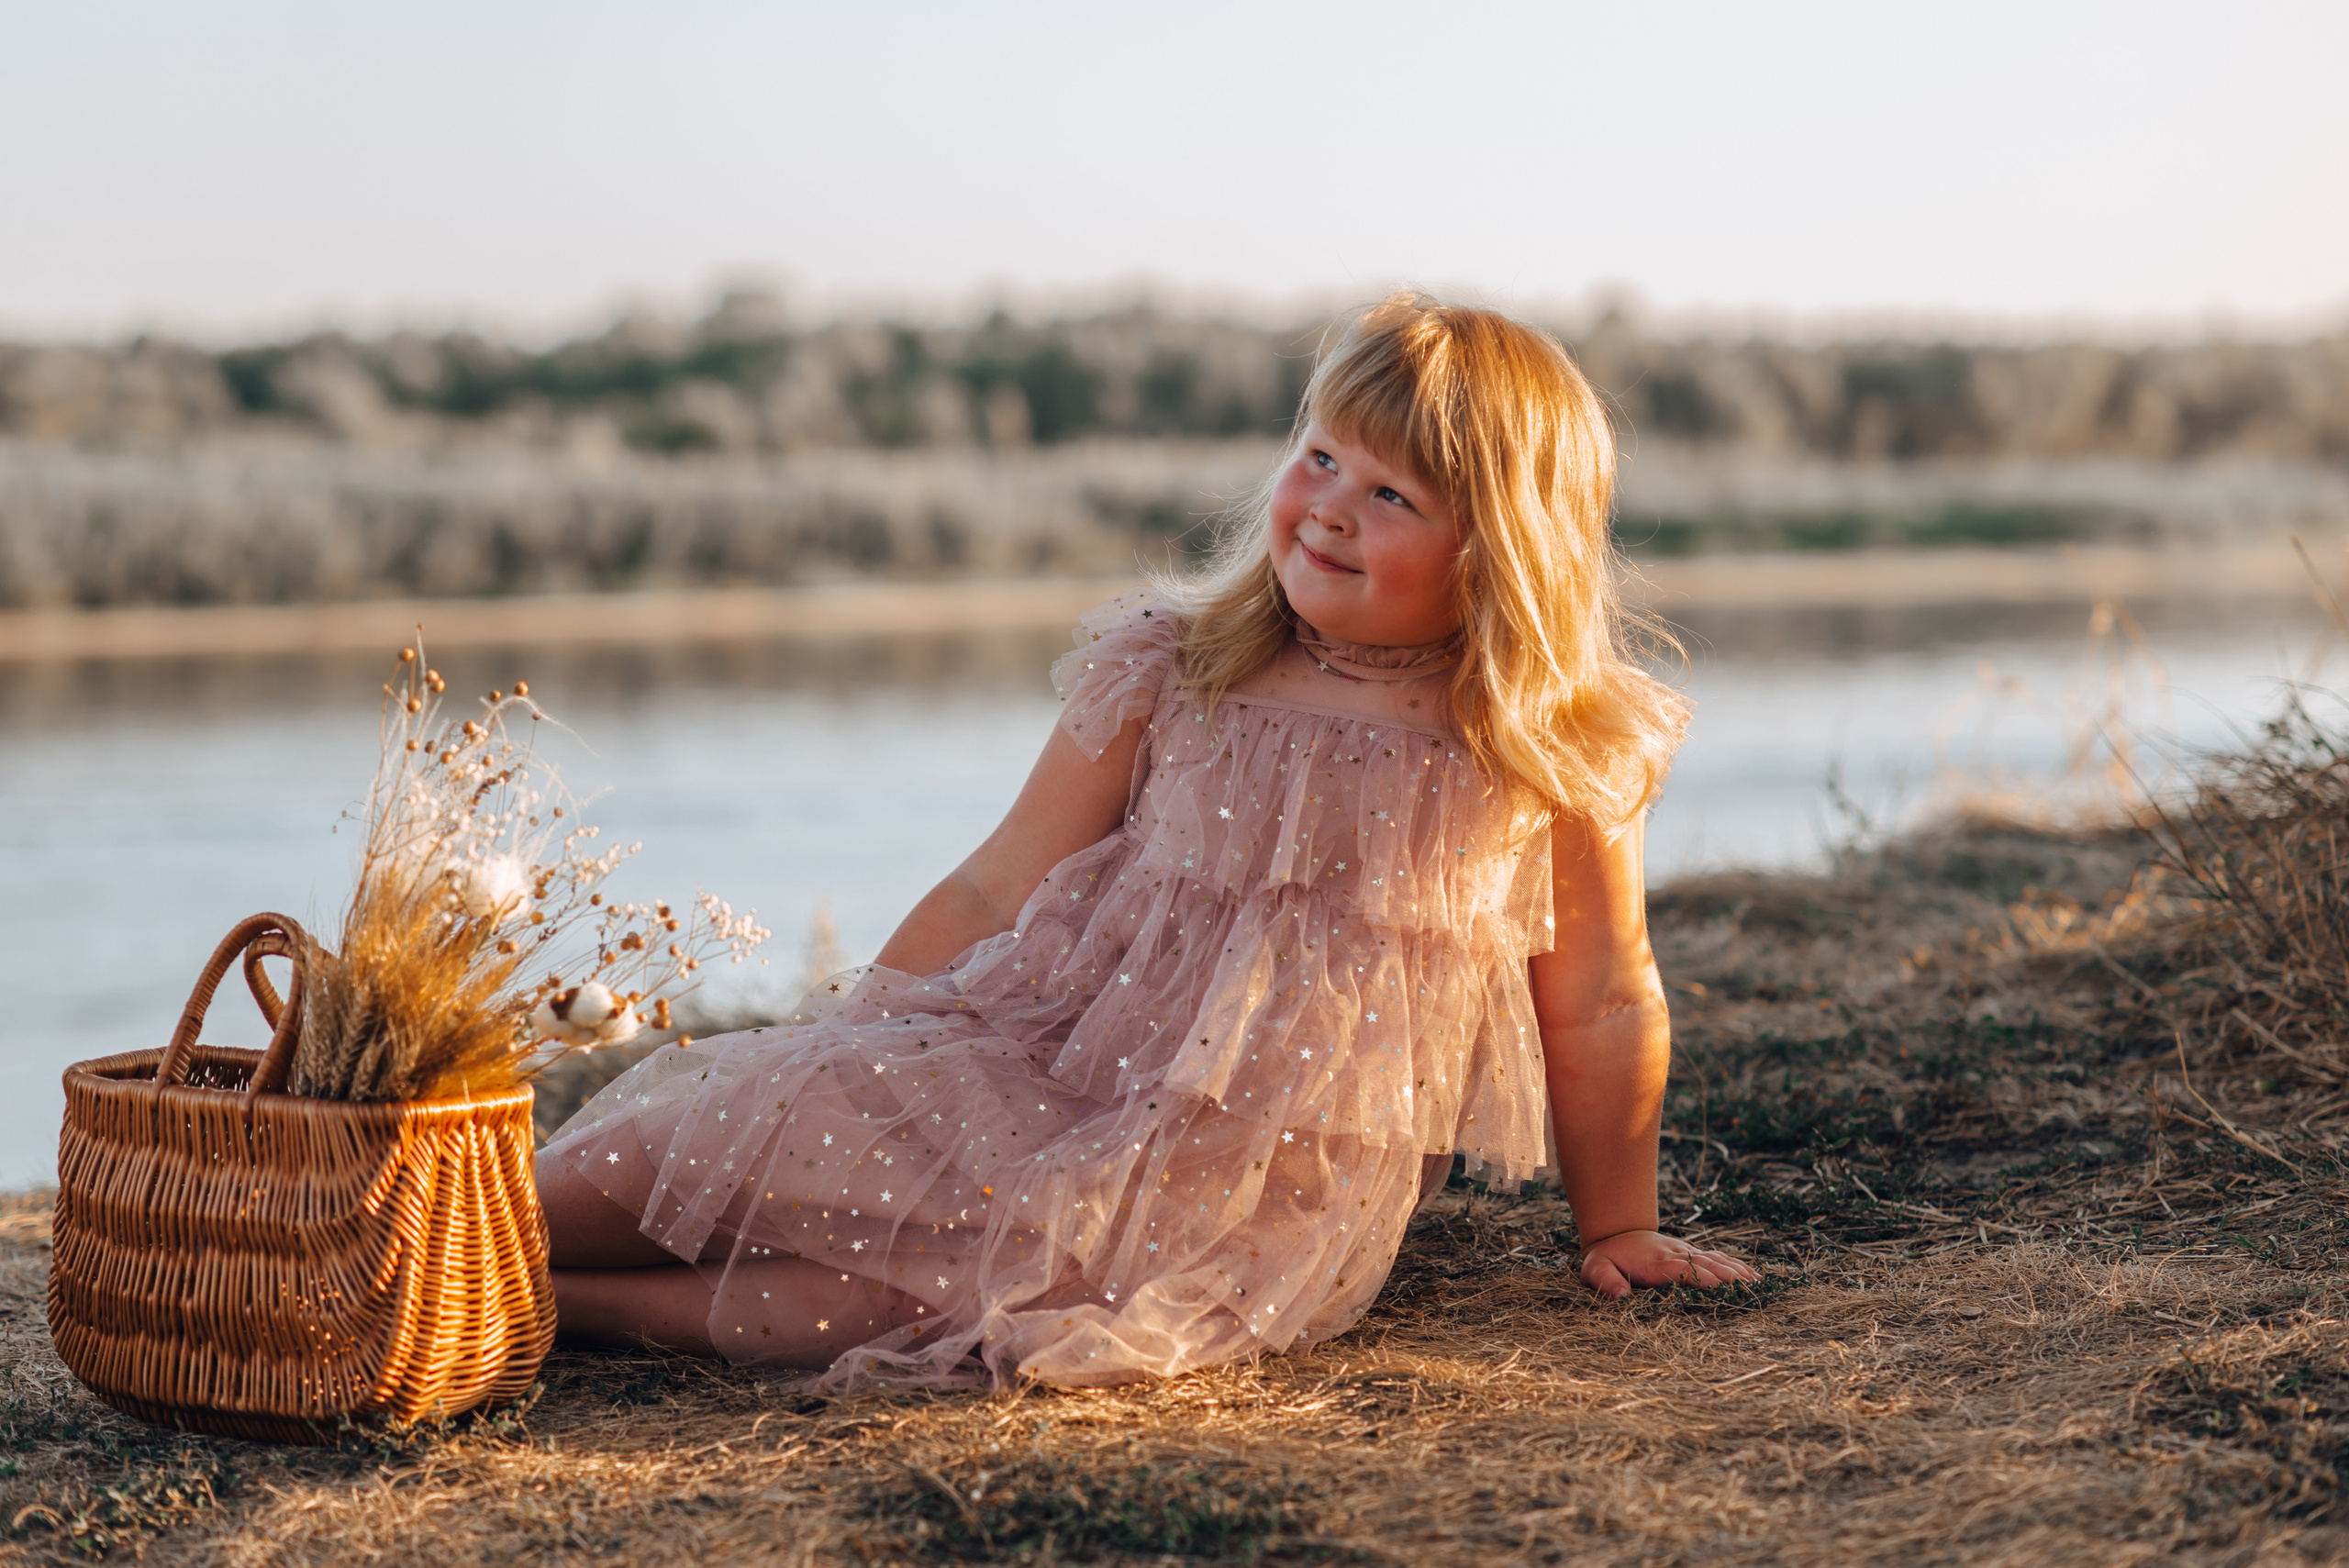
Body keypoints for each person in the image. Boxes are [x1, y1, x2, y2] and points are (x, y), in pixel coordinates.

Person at [536, 293, 1758, 1389]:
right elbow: (994, 880)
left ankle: (538, 1306)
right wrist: (861, 1028)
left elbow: (1601, 997)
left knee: (952, 1293)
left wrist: (1617, 1226)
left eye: (1390, 494)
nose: (1329, 508)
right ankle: (444, 1237)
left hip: (1237, 1180)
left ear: (1501, 550)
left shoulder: (1535, 745)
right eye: (1320, 458)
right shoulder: (1181, 667)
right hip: (1042, 1059)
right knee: (739, 1124)